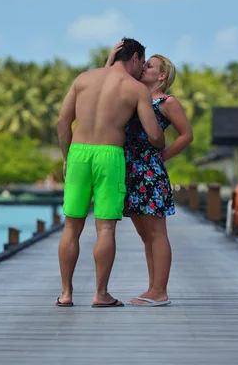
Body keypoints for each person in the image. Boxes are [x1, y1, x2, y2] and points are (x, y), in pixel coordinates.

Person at [56, 38, 166, 308]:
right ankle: (100, 294)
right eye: (142, 62)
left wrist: (67, 157)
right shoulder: (136, 88)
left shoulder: (83, 79)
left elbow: (63, 121)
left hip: (79, 153)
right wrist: (161, 143)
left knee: (72, 226)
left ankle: (66, 294)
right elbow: (153, 135)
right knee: (105, 227)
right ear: (136, 58)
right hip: (109, 155)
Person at [105, 41, 194, 307]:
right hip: (130, 170)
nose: (144, 67)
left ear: (162, 75)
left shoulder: (167, 101)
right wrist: (111, 61)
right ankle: (153, 288)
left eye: (150, 66)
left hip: (149, 172)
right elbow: (105, 85)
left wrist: (163, 156)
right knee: (146, 235)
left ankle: (160, 291)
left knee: (157, 233)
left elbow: (187, 135)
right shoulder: (135, 95)